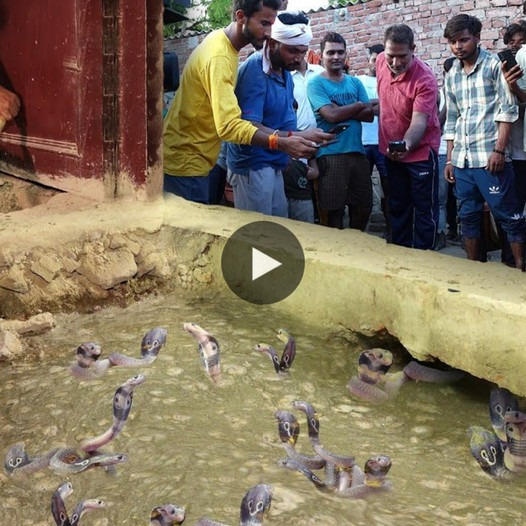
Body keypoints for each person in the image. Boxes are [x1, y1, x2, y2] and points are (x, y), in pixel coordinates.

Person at [163, 0, 328, 204]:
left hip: (196, 161)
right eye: (265, 23)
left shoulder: (224, 45)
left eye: (273, 24)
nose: (270, 33)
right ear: (241, 17)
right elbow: (229, 126)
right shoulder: (220, 57)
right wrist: (281, 142)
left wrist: (293, 137)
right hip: (185, 164)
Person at [443, 14, 525, 269]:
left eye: (463, 40)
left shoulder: (493, 66)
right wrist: (449, 158)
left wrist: (499, 150)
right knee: (467, 216)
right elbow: (453, 118)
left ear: (477, 38)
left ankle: (520, 271)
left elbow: (508, 110)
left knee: (510, 217)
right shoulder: (452, 73)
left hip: (490, 158)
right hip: (462, 161)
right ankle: (473, 272)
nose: (458, 46)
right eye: (453, 42)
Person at [227, 11, 326, 216]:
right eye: (292, 51)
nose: (299, 58)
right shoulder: (254, 71)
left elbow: (281, 126)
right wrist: (292, 138)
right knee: (258, 233)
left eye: (303, 52)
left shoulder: (285, 73)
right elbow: (248, 126)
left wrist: (305, 136)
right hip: (253, 165)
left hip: (275, 161)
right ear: (272, 44)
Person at [376, 24, 440, 249]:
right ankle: (401, 256)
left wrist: (405, 145)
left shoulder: (425, 80)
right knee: (397, 206)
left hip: (419, 153)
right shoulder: (380, 62)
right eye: (390, 56)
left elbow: (419, 122)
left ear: (413, 49)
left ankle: (425, 258)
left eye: (402, 56)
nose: (395, 63)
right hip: (389, 152)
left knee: (424, 211)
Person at [307, 32, 374, 230]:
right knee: (333, 211)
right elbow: (330, 116)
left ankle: (356, 249)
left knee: (363, 207)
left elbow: (369, 114)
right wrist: (358, 105)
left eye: (340, 52)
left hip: (357, 152)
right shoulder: (316, 83)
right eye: (331, 53)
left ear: (346, 55)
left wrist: (341, 108)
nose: (336, 57)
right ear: (321, 55)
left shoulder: (354, 82)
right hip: (330, 154)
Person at [496, 22, 526, 266]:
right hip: (511, 153)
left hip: (523, 151)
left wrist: (516, 87)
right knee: (511, 209)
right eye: (512, 42)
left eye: (520, 41)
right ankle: (510, 259)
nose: (516, 46)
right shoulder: (500, 70)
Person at [283, 56, 324, 222]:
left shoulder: (320, 73)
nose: (296, 53)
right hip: (291, 138)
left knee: (324, 192)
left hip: (322, 139)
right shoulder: (284, 75)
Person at [357, 44, 389, 238]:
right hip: (361, 142)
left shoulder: (389, 81)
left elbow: (393, 108)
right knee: (361, 189)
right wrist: (376, 105)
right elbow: (357, 109)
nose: (376, 64)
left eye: (380, 60)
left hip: (384, 142)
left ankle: (391, 230)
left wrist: (367, 106)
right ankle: (362, 231)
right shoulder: (358, 82)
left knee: (390, 187)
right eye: (373, 59)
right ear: (368, 60)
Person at [436, 57, 458, 248]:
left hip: (465, 152)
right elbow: (437, 124)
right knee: (442, 198)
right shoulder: (440, 95)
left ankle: (459, 233)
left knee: (463, 199)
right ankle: (442, 233)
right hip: (443, 151)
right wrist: (449, 97)